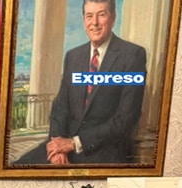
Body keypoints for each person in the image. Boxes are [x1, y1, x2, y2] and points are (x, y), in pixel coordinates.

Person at [14, 0, 146, 165]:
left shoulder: (132, 55)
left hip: (103, 150)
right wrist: (57, 146)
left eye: (101, 15)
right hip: (65, 145)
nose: (94, 23)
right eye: (89, 16)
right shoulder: (73, 56)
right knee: (16, 168)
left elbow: (125, 119)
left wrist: (73, 143)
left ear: (113, 18)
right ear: (84, 21)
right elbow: (60, 108)